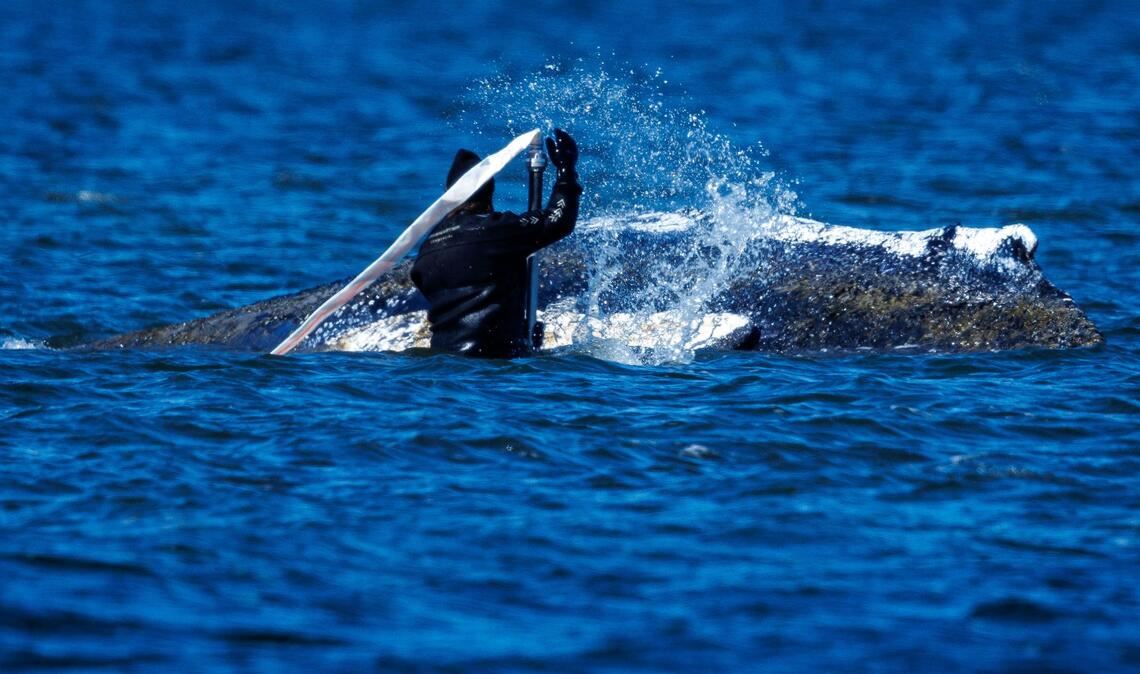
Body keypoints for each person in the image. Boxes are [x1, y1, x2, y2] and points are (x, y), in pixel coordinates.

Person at [411, 129, 582, 358]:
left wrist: (522, 331)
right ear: (488, 193)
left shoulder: (428, 248)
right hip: (491, 363)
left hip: (444, 363)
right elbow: (557, 221)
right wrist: (566, 172)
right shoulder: (492, 231)